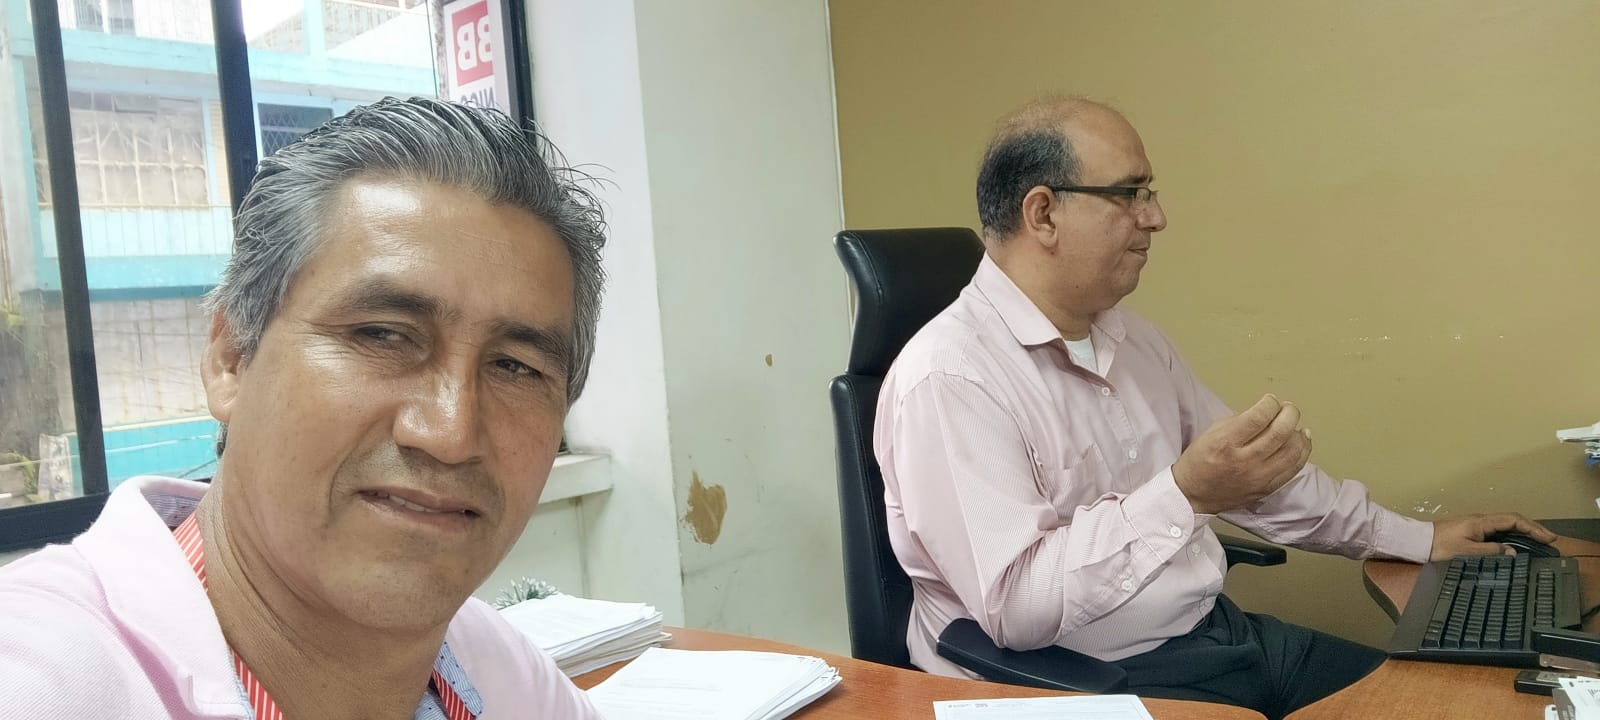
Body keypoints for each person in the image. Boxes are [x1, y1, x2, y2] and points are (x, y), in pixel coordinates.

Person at [873, 96, 1554, 719]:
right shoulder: (950, 378)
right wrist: (1185, 494)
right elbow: (1016, 608)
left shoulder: (1130, 338)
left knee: (1456, 706)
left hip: (1215, 637)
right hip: (1083, 683)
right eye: (1130, 194)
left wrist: (1419, 540)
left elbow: (1252, 481)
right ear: (1043, 213)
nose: (1155, 217)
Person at [0, 98, 607, 719]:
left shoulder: (503, 672)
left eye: (515, 367)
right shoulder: (38, 684)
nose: (450, 433)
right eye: (381, 335)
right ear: (232, 358)